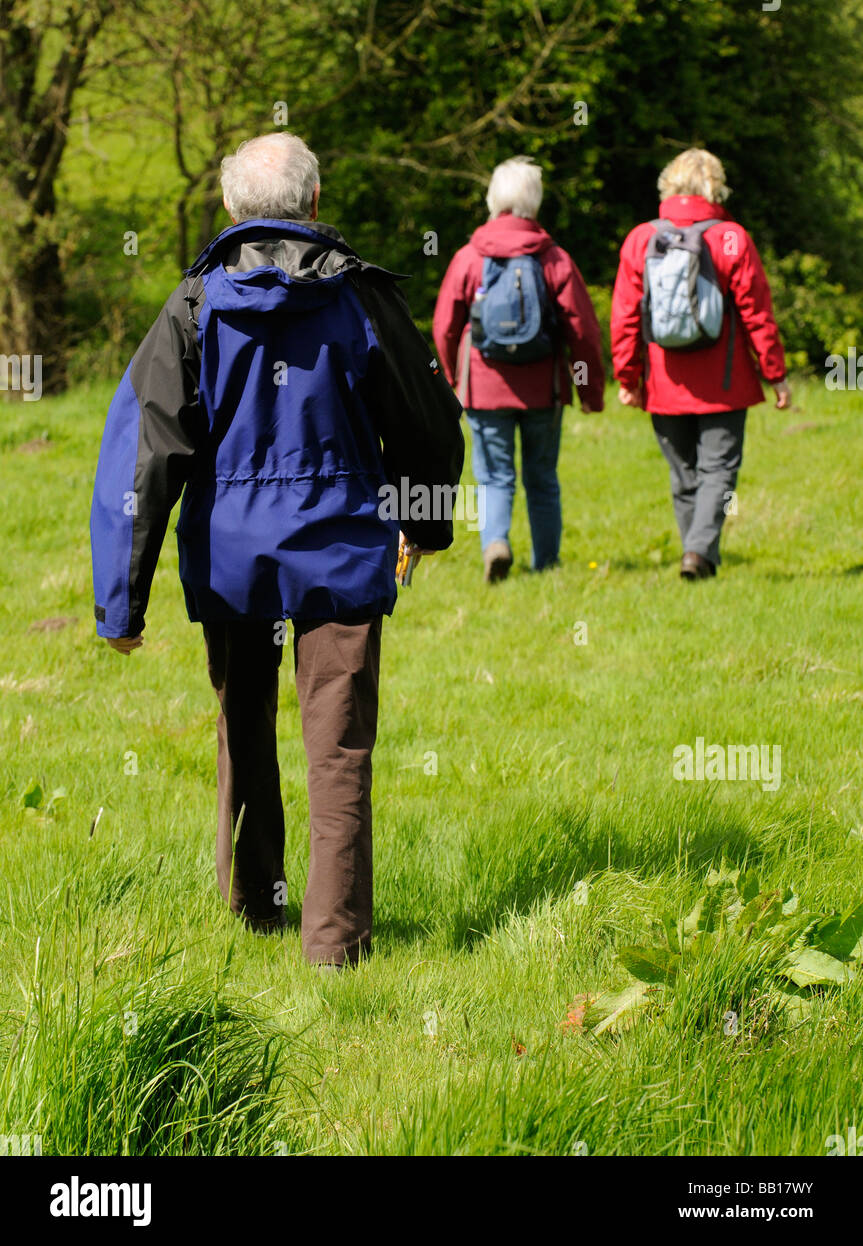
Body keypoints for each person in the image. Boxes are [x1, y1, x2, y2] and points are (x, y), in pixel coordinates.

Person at [90, 132, 464, 967]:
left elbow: (143, 455)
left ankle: (256, 907)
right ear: (316, 203)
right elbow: (427, 417)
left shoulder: (193, 305)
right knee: (338, 750)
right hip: (338, 555)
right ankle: (333, 945)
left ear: (230, 208)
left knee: (244, 729)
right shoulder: (361, 300)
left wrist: (122, 601)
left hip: (234, 562)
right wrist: (426, 524)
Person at [611, 148, 790, 580]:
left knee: (684, 474)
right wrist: (775, 374)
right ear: (715, 185)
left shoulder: (641, 238)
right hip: (724, 384)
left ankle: (696, 554)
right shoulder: (732, 238)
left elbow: (625, 316)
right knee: (718, 471)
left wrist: (628, 376)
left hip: (663, 381)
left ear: (668, 184)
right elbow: (757, 314)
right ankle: (698, 554)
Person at [433, 156, 604, 582]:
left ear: (493, 199)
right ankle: (546, 564)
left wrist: (452, 381)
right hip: (543, 388)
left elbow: (444, 327)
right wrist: (589, 391)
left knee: (493, 475)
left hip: (484, 389)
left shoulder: (469, 257)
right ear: (535, 201)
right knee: (542, 476)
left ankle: (496, 544)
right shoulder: (554, 259)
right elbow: (582, 332)